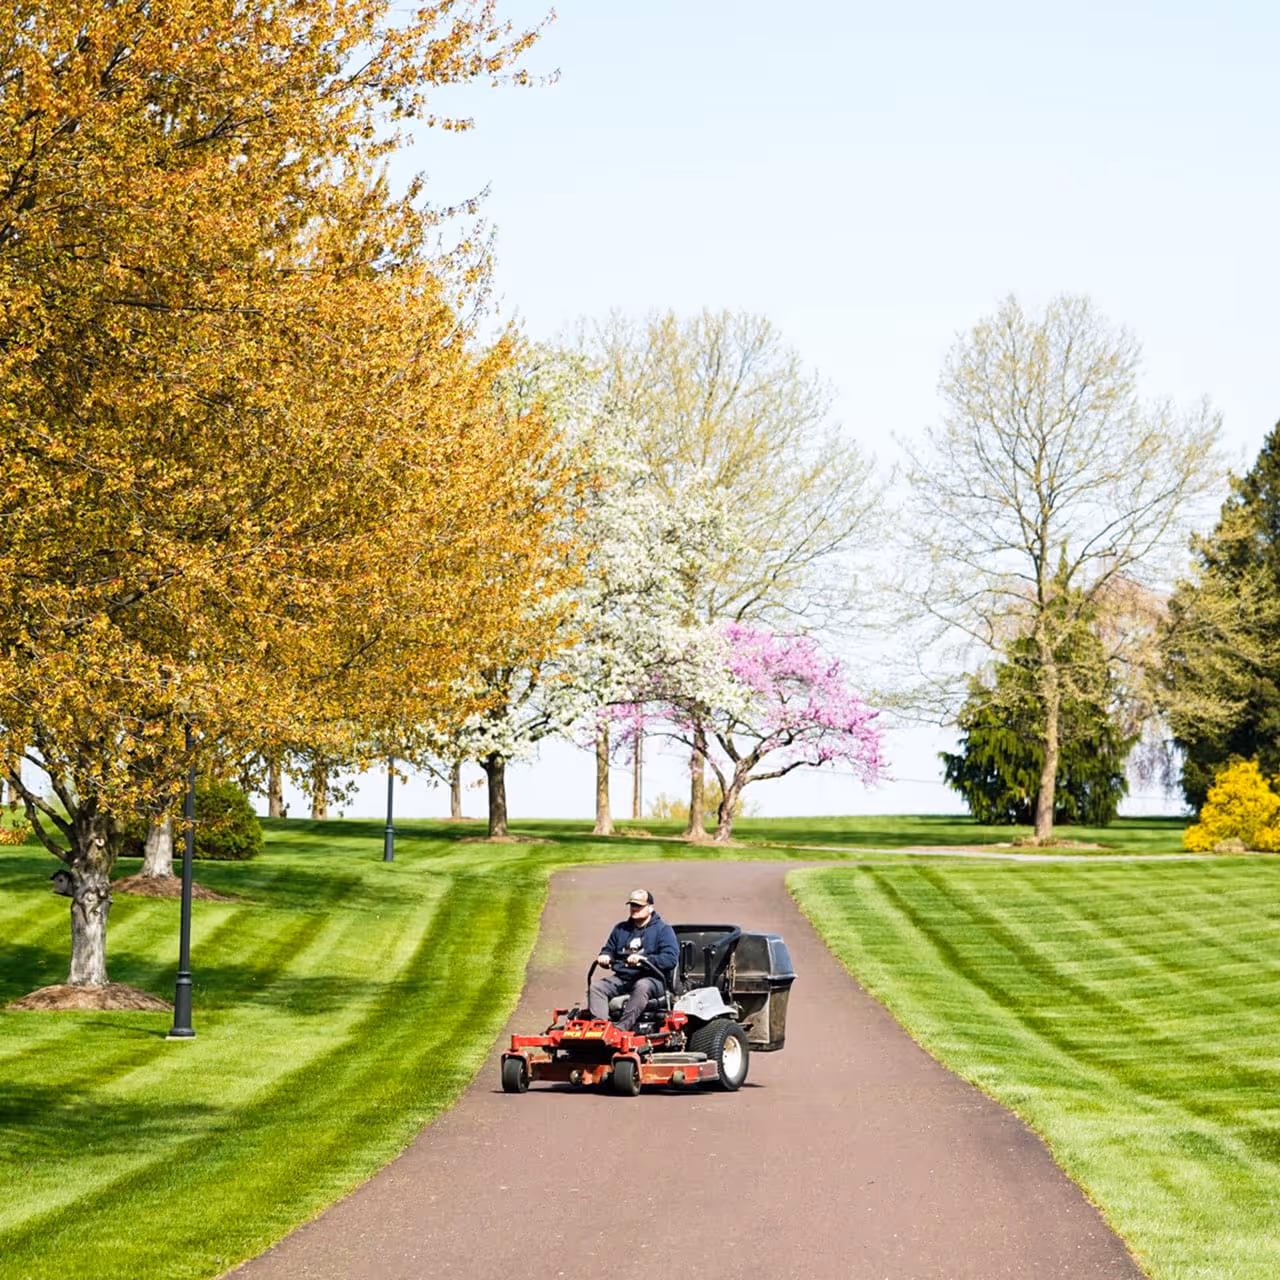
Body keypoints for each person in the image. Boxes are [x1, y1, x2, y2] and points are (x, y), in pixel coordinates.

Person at [587, 888, 679, 1031]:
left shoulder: (663, 930)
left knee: (642, 986)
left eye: (639, 906)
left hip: (653, 978)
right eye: (632, 905)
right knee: (597, 987)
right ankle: (600, 1028)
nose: (635, 909)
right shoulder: (621, 929)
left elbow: (670, 958)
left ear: (650, 908)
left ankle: (621, 1029)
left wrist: (644, 959)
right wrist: (605, 956)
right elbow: (609, 949)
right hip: (624, 977)